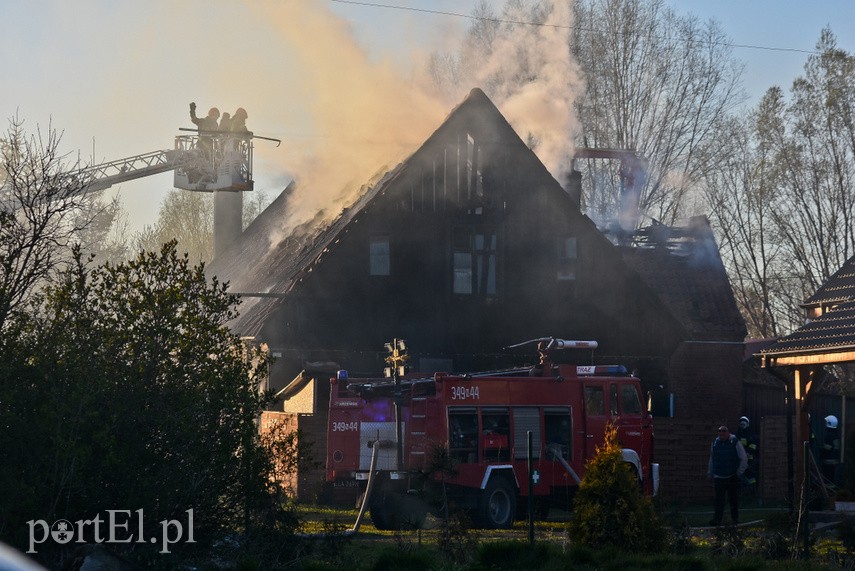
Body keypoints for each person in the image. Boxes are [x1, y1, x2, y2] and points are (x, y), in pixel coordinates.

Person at [708, 425, 748, 526]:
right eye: (720, 433)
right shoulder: (715, 443)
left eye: (724, 432)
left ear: (728, 433)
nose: (722, 435)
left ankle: (735, 519)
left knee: (733, 499)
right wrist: (710, 472)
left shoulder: (735, 442)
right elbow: (712, 459)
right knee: (719, 500)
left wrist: (739, 472)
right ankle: (717, 520)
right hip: (718, 476)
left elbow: (743, 458)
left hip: (732, 476)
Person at [736, 416, 759, 489]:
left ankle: (752, 489)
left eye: (744, 424)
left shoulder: (750, 434)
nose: (742, 426)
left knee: (750, 473)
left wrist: (748, 452)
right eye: (741, 424)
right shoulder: (737, 434)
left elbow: (753, 445)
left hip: (749, 458)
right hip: (739, 458)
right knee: (739, 473)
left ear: (747, 424)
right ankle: (742, 490)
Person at [821, 415, 841, 484]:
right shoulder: (836, 434)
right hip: (834, 461)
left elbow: (827, 449)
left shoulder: (829, 435)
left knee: (827, 479)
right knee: (832, 478)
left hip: (828, 461)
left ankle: (828, 493)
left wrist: (820, 454)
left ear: (829, 423)